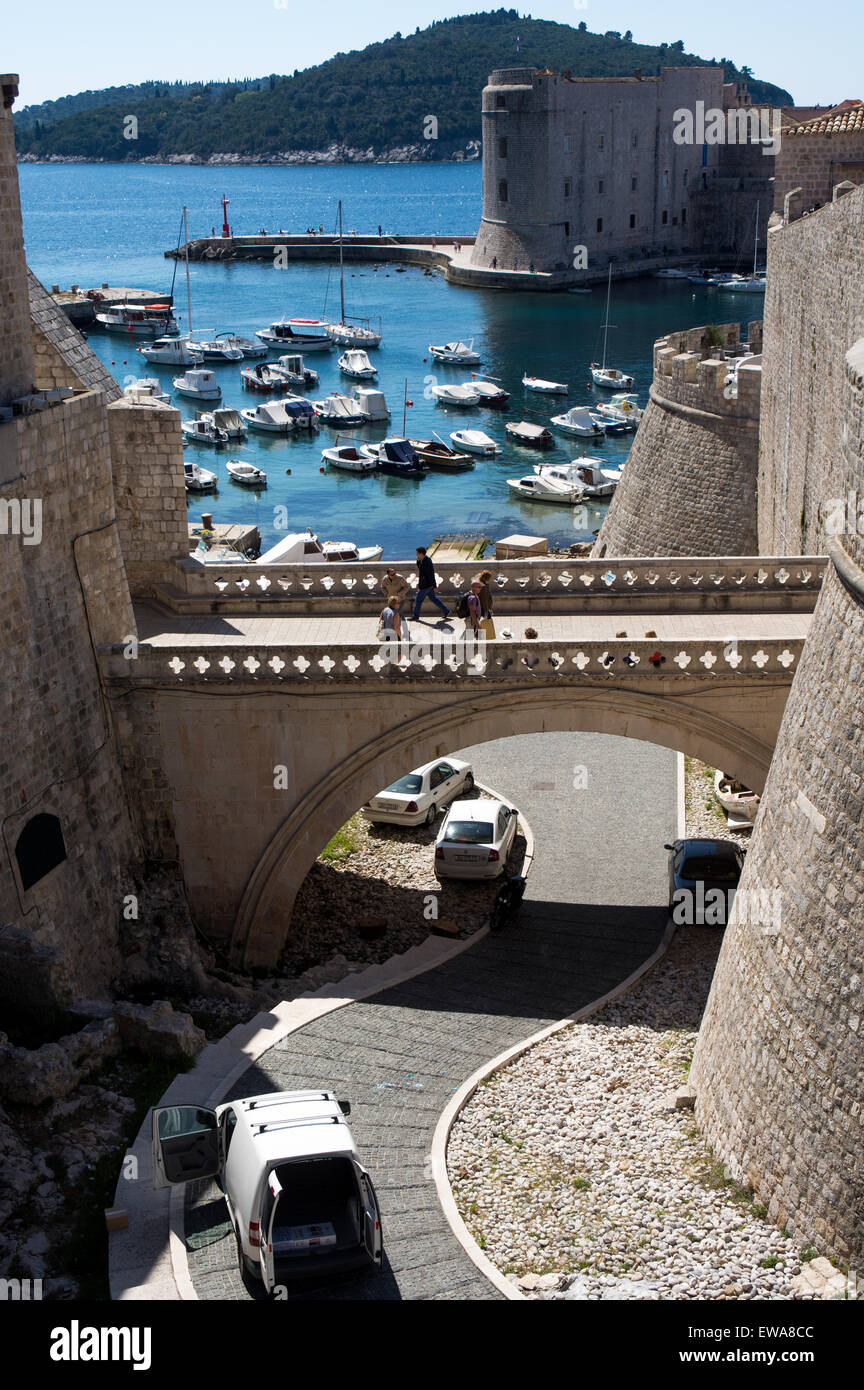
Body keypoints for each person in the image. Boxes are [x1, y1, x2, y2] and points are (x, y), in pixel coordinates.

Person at [413, 547, 450, 622]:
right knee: (433, 598)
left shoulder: (427, 562)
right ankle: (446, 610)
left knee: (418, 600)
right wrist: (418, 561)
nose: (416, 555)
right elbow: (421, 569)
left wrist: (435, 586)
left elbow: (431, 575)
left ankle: (415, 616)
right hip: (427, 585)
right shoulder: (422, 560)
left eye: (417, 553)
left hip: (425, 585)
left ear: (421, 553)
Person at [473, 569, 495, 639]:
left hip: (478, 606)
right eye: (489, 578)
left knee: (477, 620)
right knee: (487, 619)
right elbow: (484, 599)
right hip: (482, 607)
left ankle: (476, 635)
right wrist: (486, 610)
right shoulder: (483, 586)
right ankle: (480, 635)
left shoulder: (481, 582)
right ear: (486, 578)